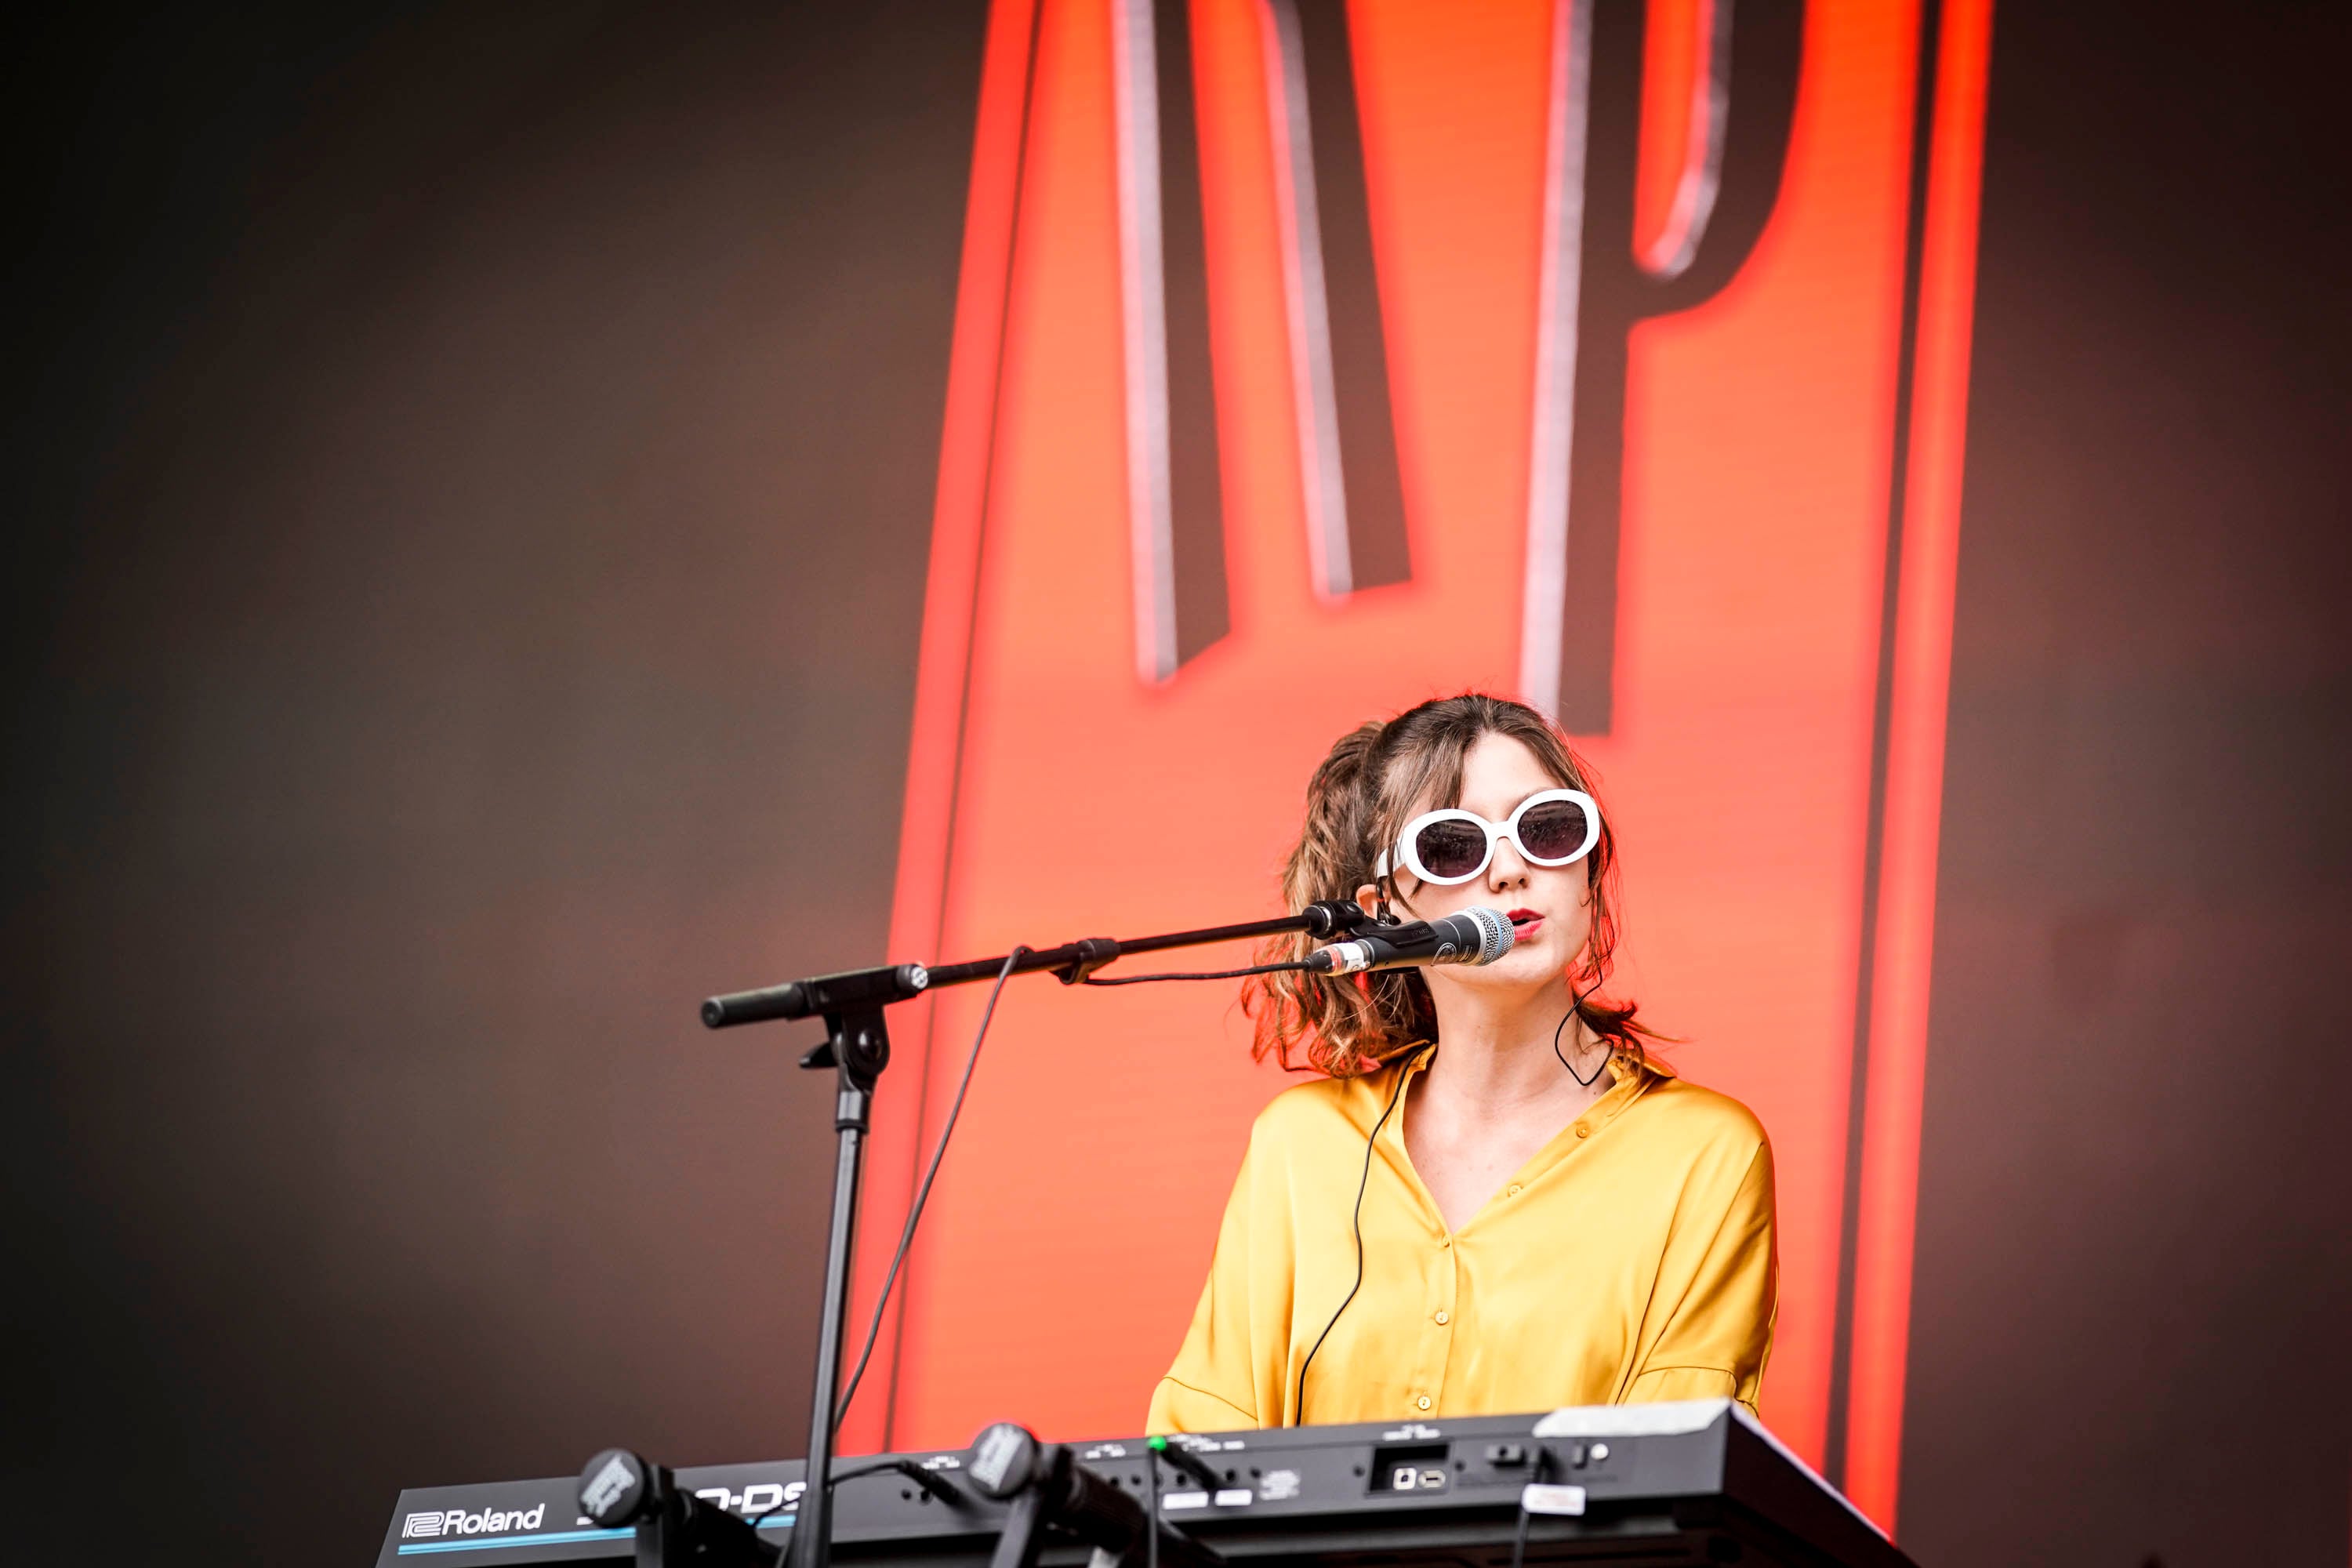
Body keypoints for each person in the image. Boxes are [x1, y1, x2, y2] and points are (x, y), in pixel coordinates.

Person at [1146, 694, 1776, 1432]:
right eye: (1453, 845)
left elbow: (1669, 1467)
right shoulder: (1302, 1143)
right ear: (1385, 911)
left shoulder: (1705, 1152)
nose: (1511, 870)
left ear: (1587, 872)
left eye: (1547, 830)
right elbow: (1202, 1443)